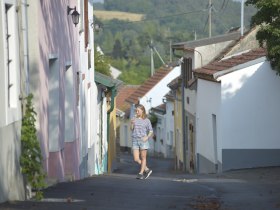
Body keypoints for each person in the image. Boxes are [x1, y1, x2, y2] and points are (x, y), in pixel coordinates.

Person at [131, 104, 153, 179]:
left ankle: (141, 173)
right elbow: (131, 129)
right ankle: (147, 169)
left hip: (143, 140)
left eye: (138, 111)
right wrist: (132, 123)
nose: (136, 112)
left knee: (143, 157)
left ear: (142, 111)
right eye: (136, 110)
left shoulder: (147, 120)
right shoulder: (134, 118)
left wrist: (147, 137)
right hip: (135, 140)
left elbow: (151, 131)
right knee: (136, 159)